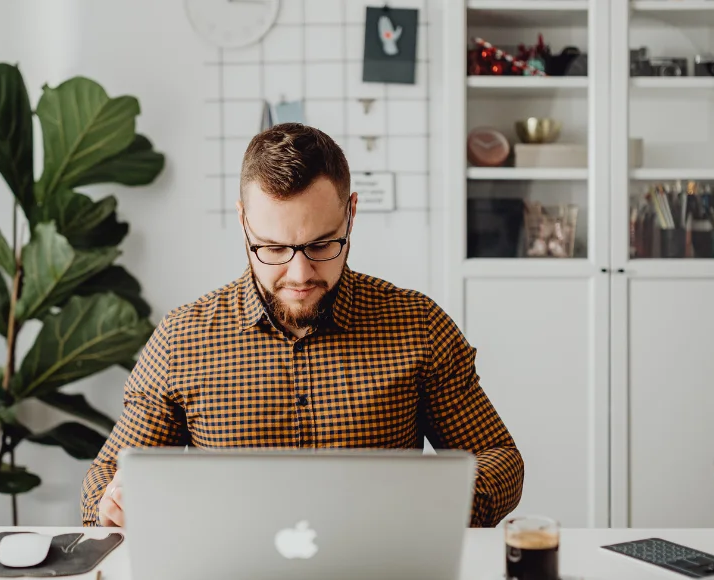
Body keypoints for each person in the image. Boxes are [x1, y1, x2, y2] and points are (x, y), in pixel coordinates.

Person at [80, 123, 523, 528]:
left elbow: (500, 459)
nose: (299, 275)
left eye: (321, 245)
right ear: (243, 223)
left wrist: (440, 505)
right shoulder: (183, 339)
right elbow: (106, 475)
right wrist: (111, 502)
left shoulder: (417, 325)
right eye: (272, 248)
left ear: (351, 214)